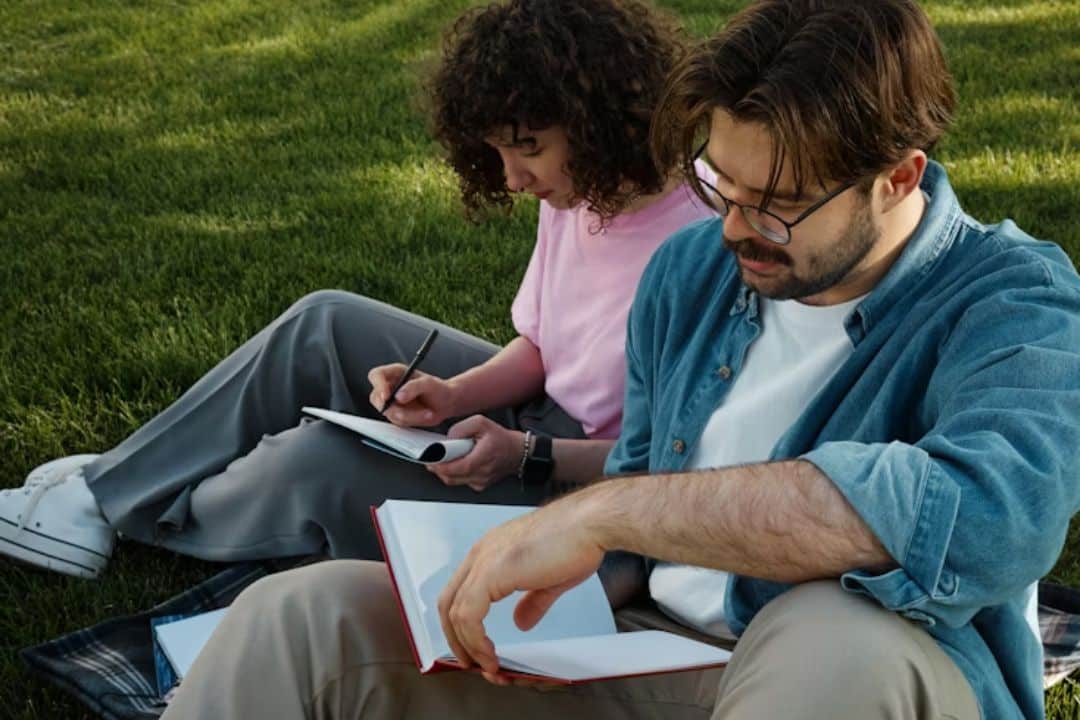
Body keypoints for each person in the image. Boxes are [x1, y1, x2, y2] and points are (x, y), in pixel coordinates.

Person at [160, 1, 1080, 719]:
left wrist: (608, 511)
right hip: (639, 656)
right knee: (300, 614)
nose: (734, 228)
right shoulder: (692, 270)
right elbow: (639, 504)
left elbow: (983, 516)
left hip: (846, 675)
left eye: (775, 202)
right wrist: (523, 587)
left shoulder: (1023, 307)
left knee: (830, 638)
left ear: (898, 175)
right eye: (719, 182)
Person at [0, 0, 708, 588]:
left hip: (596, 495)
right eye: (498, 152)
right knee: (325, 319)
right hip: (537, 424)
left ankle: (139, 507)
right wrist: (454, 396)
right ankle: (106, 491)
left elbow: (675, 460)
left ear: (598, 121)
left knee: (319, 460)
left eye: (527, 149)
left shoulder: (701, 246)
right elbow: (544, 348)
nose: (513, 179)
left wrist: (525, 453)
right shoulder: (580, 194)